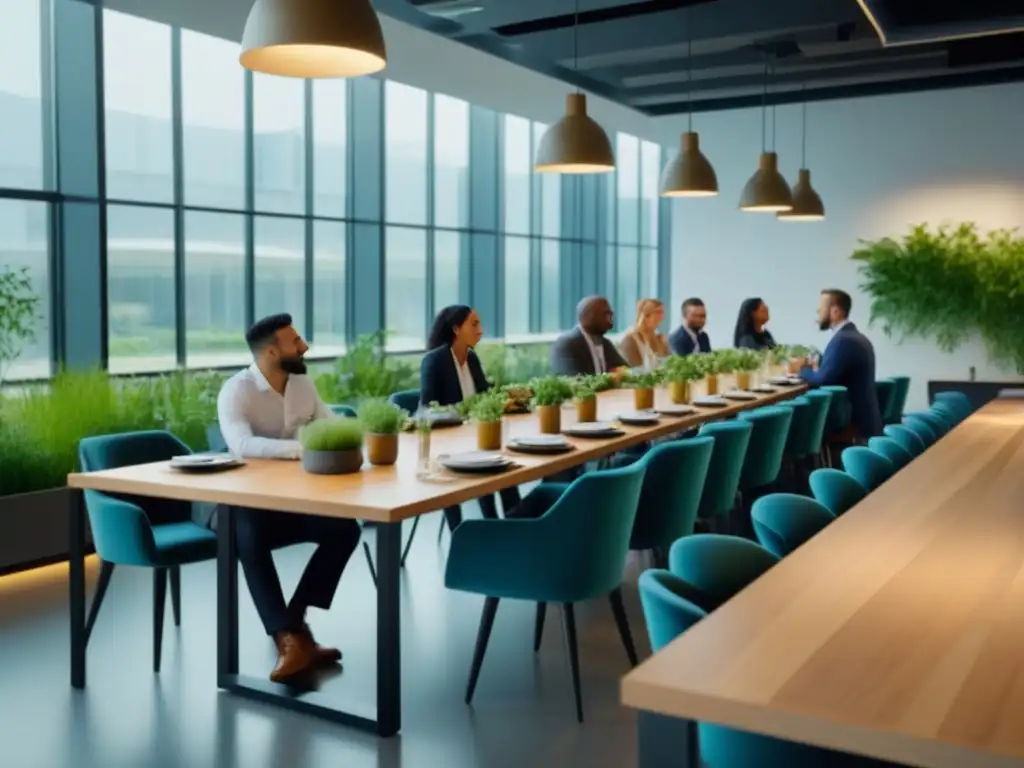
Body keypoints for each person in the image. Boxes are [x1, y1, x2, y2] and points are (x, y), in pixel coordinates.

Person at [214, 313, 362, 684]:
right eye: (295, 342)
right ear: (270, 352)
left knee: (345, 530)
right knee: (247, 530)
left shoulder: (302, 383)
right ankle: (287, 639)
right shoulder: (238, 390)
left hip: (290, 502)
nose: (304, 346)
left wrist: (356, 436)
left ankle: (293, 627)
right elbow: (242, 445)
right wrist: (301, 447)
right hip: (239, 504)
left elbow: (328, 422)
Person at [420, 305, 520, 530]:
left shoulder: (472, 358)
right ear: (456, 329)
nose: (481, 330)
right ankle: (476, 531)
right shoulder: (434, 361)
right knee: (491, 461)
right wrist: (462, 413)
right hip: (448, 448)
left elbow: (484, 398)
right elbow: (427, 410)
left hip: (477, 441)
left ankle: (513, 527)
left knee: (506, 463)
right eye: (474, 324)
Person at [799, 289, 883, 439]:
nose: (818, 312)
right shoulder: (852, 336)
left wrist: (801, 370)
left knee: (799, 426)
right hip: (862, 419)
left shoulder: (844, 340)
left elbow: (823, 380)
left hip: (852, 424)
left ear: (835, 311)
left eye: (821, 308)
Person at [550, 296, 630, 377]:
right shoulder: (566, 344)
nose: (610, 320)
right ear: (587, 316)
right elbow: (572, 380)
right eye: (605, 315)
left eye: (610, 315)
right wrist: (610, 378)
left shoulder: (606, 344)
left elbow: (625, 370)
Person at [619, 298, 671, 370]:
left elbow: (668, 364)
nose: (661, 318)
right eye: (658, 312)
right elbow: (631, 371)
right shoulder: (630, 340)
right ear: (645, 316)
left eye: (662, 313)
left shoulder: (659, 338)